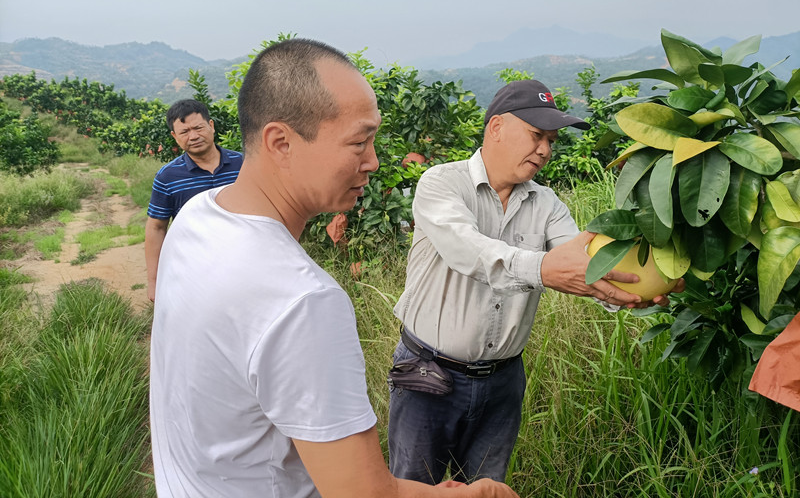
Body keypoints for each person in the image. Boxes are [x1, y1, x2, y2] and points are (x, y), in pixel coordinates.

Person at [149, 38, 518, 498]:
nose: (374, 161)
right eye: (359, 142)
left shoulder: (199, 216)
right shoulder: (301, 300)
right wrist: (472, 493)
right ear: (280, 142)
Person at [388, 79, 679, 484]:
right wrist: (543, 269)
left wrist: (630, 290)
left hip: (502, 381)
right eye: (536, 135)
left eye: (551, 140)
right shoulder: (442, 183)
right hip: (428, 374)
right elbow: (468, 250)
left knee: (487, 489)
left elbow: (584, 263)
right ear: (496, 128)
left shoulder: (546, 204)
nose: (544, 150)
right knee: (414, 488)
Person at [144, 99, 243, 302]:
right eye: (184, 132)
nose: (194, 136)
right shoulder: (167, 177)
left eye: (198, 128)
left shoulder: (244, 164)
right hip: (194, 271)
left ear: (211, 126)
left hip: (244, 263)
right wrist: (154, 281)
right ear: (174, 136)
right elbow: (156, 228)